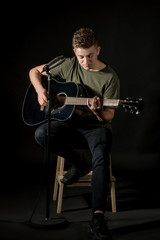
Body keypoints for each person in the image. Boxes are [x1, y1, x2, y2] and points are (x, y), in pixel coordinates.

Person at [29, 28, 120, 240]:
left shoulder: (110, 77)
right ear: (74, 52)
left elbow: (108, 116)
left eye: (90, 55)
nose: (85, 62)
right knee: (42, 133)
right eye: (81, 57)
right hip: (69, 124)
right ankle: (79, 164)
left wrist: (98, 112)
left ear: (98, 50)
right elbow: (33, 71)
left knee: (101, 155)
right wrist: (40, 91)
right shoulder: (68, 64)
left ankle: (97, 217)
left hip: (95, 128)